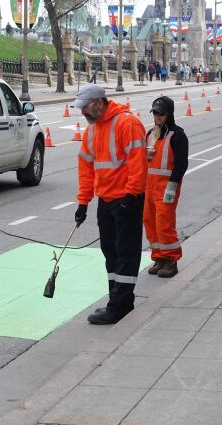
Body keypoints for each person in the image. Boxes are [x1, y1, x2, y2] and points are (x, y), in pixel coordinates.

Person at [73, 83, 148, 325]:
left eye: (85, 108)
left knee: (126, 253)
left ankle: (119, 305)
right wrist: (83, 202)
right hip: (106, 200)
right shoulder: (92, 131)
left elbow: (138, 164)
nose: (82, 113)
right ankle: (119, 297)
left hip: (127, 199)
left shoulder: (127, 123)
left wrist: (131, 195)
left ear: (98, 103)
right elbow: (86, 167)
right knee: (111, 252)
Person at [144, 96, 189, 278]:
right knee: (150, 223)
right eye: (154, 113)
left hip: (166, 189)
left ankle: (171, 260)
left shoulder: (177, 135)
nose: (157, 117)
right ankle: (159, 258)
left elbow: (181, 164)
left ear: (168, 114)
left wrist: (172, 186)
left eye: (160, 114)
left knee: (164, 224)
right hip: (148, 187)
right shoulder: (150, 135)